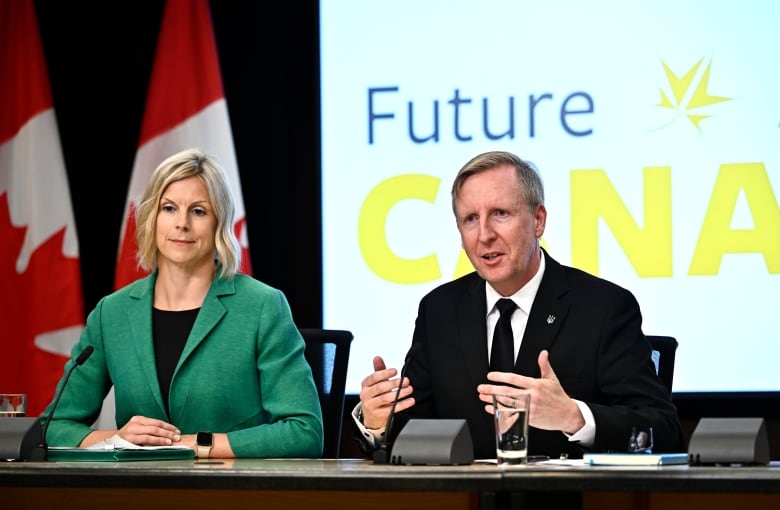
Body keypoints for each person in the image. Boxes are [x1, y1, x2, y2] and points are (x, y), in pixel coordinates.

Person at [352, 150, 684, 462]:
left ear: (538, 220)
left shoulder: (603, 308)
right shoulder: (439, 311)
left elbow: (662, 430)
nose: (484, 235)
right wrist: (379, 422)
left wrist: (573, 416)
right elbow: (415, 435)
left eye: (500, 214)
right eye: (470, 219)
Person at [41, 148, 323, 459]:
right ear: (152, 217)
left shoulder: (262, 306)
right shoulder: (112, 313)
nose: (182, 224)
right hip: (138, 495)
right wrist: (118, 439)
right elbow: (53, 428)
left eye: (199, 211)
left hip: (234, 493)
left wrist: (193, 445)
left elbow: (304, 432)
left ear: (220, 223)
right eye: (169, 208)